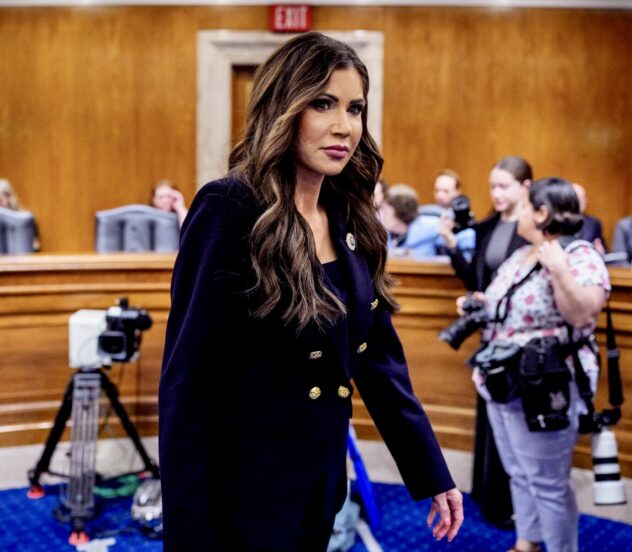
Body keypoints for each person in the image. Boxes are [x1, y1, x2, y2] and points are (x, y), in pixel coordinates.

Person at [158, 32, 463, 551]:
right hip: (241, 494)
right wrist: (188, 532)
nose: (344, 126)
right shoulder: (229, 207)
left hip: (319, 485)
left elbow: (378, 358)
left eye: (355, 108)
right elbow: (188, 385)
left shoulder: (350, 217)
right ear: (285, 107)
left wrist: (429, 469)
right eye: (323, 103)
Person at [464, 177, 610, 552]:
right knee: (519, 472)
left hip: (545, 387)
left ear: (543, 213)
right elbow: (509, 306)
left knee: (548, 484)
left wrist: (559, 270)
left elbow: (583, 313)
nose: (518, 213)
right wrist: (479, 303)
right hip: (504, 383)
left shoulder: (579, 255)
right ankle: (527, 542)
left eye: (526, 206)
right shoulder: (520, 255)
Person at [439, 155, 532, 528]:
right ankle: (489, 495)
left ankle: (514, 506)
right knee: (490, 420)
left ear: (526, 187)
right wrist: (450, 245)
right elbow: (475, 281)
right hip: (490, 335)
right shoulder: (489, 225)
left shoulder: (533, 230)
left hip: (521, 342)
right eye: (492, 186)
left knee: (515, 427)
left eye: (504, 186)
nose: (495, 193)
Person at [381, 183, 474, 259]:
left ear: (398, 212)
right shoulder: (384, 234)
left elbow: (467, 238)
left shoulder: (431, 227)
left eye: (385, 211)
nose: (381, 215)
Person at [572, 182, 606, 253]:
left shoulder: (594, 223)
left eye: (583, 197)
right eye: (578, 198)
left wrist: (600, 252)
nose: (582, 201)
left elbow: (603, 249)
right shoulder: (558, 223)